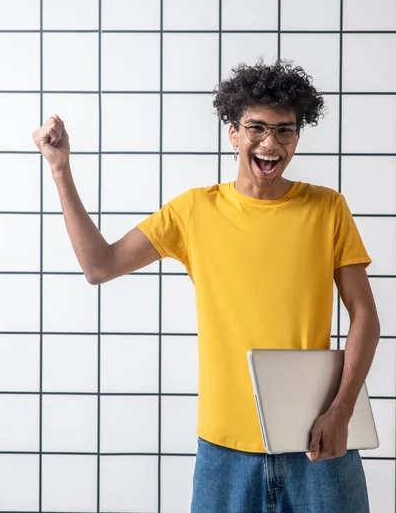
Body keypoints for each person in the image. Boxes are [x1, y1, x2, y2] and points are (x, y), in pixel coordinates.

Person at [33, 60, 380, 512]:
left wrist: (342, 411)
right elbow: (100, 266)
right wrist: (60, 170)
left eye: (285, 131)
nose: (270, 144)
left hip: (319, 436)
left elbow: (365, 315)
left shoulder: (328, 208)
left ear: (298, 135)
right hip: (225, 448)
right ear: (233, 132)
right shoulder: (194, 211)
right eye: (256, 128)